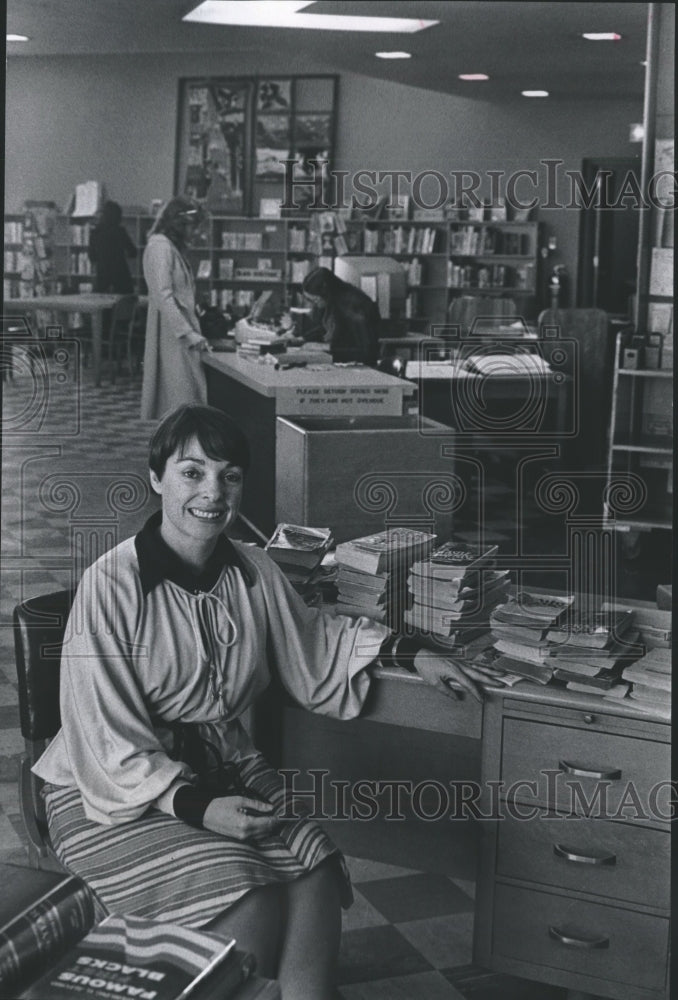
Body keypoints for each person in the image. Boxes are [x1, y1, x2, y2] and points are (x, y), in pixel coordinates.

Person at [33, 405, 485, 1000]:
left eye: (229, 476)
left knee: (318, 871)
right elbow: (102, 736)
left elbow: (315, 640)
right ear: (156, 478)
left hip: (224, 768)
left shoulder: (253, 568)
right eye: (192, 473)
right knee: (252, 894)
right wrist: (197, 806)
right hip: (109, 789)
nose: (213, 493)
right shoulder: (110, 584)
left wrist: (410, 652)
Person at [140, 197, 211, 421]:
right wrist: (188, 333)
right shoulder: (160, 247)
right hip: (174, 335)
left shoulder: (168, 247)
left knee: (184, 399)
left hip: (178, 333)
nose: (195, 233)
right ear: (179, 224)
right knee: (182, 398)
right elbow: (164, 294)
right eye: (193, 226)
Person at [302, 266, 382, 365]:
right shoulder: (332, 301)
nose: (314, 305)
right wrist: (302, 339)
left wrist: (326, 347)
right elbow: (325, 329)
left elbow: (365, 351)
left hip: (361, 368)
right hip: (342, 364)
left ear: (326, 293)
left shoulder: (354, 304)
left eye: (315, 300)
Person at [88, 200, 137, 294]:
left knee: (101, 303)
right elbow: (133, 252)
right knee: (125, 302)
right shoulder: (120, 232)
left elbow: (92, 257)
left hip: (102, 273)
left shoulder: (95, 233)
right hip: (120, 272)